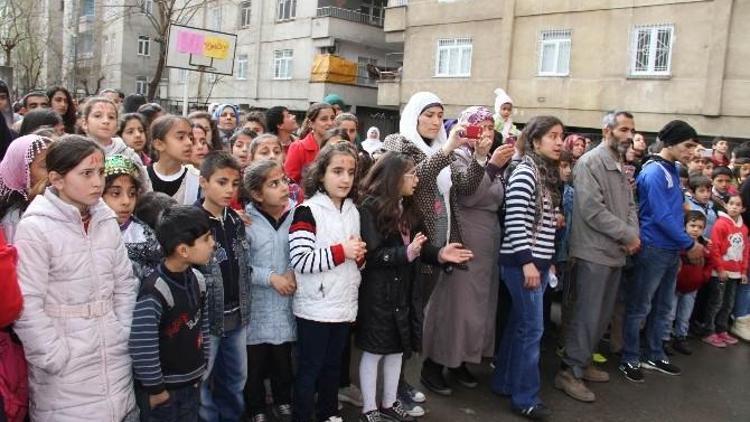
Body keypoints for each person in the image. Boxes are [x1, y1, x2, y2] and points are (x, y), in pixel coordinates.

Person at [12, 135, 139, 421]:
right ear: (57, 179)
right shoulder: (35, 228)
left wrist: (122, 330)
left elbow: (124, 283)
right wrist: (53, 355)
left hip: (112, 354)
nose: (98, 182)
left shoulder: (105, 219)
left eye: (100, 173)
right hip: (64, 367)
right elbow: (27, 303)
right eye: (86, 174)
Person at [356, 152, 473, 422]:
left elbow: (420, 248)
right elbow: (372, 255)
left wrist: (440, 254)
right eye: (411, 174)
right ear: (393, 176)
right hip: (379, 294)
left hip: (405, 290)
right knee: (375, 351)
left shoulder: (407, 208)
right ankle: (369, 409)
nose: (416, 179)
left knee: (398, 348)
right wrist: (405, 254)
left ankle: (389, 402)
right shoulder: (370, 207)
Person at [382, 92, 478, 413]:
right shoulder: (399, 143)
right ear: (415, 116)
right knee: (406, 317)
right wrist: (448, 150)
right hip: (413, 243)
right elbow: (415, 179)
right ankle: (392, 387)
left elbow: (464, 188)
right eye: (429, 114)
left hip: (441, 242)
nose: (436, 121)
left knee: (417, 316)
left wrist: (480, 157)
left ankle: (401, 381)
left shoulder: (441, 148)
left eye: (440, 114)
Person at [421, 106, 513, 391]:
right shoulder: (457, 156)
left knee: (478, 308)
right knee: (454, 306)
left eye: (488, 127)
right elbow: (468, 195)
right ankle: (433, 365)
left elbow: (497, 196)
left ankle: (460, 360)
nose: (484, 133)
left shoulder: (485, 156)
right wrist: (491, 164)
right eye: (479, 127)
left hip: (487, 240)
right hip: (464, 237)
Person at [556, 111, 639, 403]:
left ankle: (583, 362)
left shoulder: (618, 162)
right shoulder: (590, 162)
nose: (629, 135)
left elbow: (630, 204)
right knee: (586, 315)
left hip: (614, 252)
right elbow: (592, 209)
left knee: (601, 316)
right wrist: (627, 235)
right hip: (592, 252)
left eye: (632, 130)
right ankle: (569, 372)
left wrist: (631, 233)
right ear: (607, 131)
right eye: (624, 129)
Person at [620, 120, 703, 383]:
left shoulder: (672, 169)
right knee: (640, 306)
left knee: (664, 306)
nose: (691, 151)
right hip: (654, 247)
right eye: (687, 145)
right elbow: (661, 216)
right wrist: (689, 243)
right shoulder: (655, 171)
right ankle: (630, 357)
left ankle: (654, 353)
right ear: (670, 143)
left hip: (669, 249)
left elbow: (674, 205)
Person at [289, 143, 366, 422]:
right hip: (315, 307)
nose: (345, 178)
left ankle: (328, 413)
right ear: (321, 174)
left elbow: (352, 257)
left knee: (333, 366)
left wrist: (358, 256)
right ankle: (302, 415)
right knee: (310, 369)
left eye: (350, 172)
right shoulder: (307, 211)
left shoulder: (353, 211)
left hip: (343, 305)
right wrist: (341, 252)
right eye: (337, 171)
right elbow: (301, 260)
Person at [130, 206, 213, 422]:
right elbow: (143, 344)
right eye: (206, 239)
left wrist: (202, 365)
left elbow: (202, 325)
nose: (212, 244)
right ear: (183, 250)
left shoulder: (198, 280)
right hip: (165, 393)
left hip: (192, 384)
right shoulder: (155, 290)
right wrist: (156, 390)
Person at [196, 151, 252, 422]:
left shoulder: (235, 220)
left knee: (236, 378)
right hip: (207, 319)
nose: (230, 189)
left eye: (234, 183)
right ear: (203, 182)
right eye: (222, 182)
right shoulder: (192, 221)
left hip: (237, 316)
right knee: (202, 380)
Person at [243, 160, 297, 422]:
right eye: (273, 184)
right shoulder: (246, 221)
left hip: (288, 303)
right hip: (258, 307)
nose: (283, 187)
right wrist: (270, 278)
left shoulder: (298, 214)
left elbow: (305, 249)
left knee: (283, 358)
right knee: (255, 361)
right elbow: (241, 266)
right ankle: (255, 408)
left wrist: (293, 273)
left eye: (284, 180)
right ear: (256, 194)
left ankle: (283, 399)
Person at [102, 154, 161, 280]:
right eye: (116, 193)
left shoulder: (145, 236)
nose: (126, 201)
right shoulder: (86, 233)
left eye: (132, 194)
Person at [700, 193, 747, 347]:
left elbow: (745, 251)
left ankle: (722, 329)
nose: (734, 207)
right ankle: (709, 331)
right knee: (716, 302)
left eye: (738, 204)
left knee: (728, 303)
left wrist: (744, 271)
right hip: (720, 272)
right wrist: (719, 269)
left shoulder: (744, 228)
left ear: (743, 208)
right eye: (731, 203)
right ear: (726, 205)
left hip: (735, 273)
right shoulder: (721, 224)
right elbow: (715, 249)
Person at [80, 97, 151, 190]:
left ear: (117, 126)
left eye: (111, 117)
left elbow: (145, 189)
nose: (106, 121)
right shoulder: (76, 154)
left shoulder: (129, 156)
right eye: (98, 116)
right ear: (85, 123)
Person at [669, 211, 712, 355]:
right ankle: (664, 338)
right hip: (676, 285)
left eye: (700, 227)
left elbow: (709, 262)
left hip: (693, 287)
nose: (695, 229)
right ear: (685, 226)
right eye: (692, 225)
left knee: (685, 315)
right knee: (670, 314)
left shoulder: (705, 245)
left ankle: (680, 337)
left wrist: (703, 277)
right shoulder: (679, 243)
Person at [0, 134, 52, 242]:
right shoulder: (16, 219)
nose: (55, 171)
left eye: (57, 163)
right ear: (23, 171)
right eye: (46, 166)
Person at [148, 115, 201, 205]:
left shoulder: (196, 179)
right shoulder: (142, 177)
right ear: (159, 144)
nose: (189, 143)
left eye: (190, 138)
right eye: (181, 137)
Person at [285, 103, 336, 184]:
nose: (330, 123)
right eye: (324, 119)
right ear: (311, 124)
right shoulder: (298, 147)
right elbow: (290, 183)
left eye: (332, 118)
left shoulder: (340, 146)